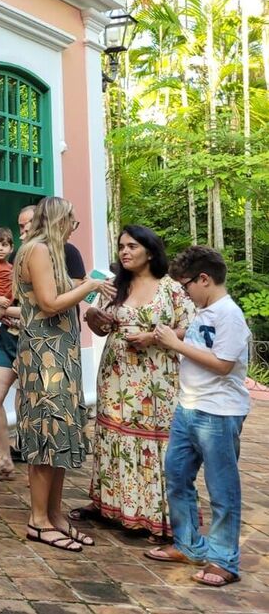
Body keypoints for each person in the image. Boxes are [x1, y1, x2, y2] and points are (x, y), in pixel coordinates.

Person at [73, 225, 195, 540]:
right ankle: (111, 506)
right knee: (113, 436)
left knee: (155, 442)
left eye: (132, 246)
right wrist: (94, 320)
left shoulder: (171, 289)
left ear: (150, 252)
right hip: (116, 374)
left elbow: (190, 328)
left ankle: (154, 515)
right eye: (121, 246)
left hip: (156, 379)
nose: (124, 252)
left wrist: (154, 336)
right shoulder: (114, 286)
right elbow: (101, 328)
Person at [146, 247, 250, 588]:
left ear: (204, 279)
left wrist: (174, 345)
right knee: (176, 477)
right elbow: (199, 347)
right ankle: (189, 545)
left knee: (222, 490)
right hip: (188, 407)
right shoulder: (203, 311)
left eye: (186, 284)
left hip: (217, 413)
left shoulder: (229, 315)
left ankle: (224, 561)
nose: (184, 291)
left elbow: (222, 364)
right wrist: (170, 336)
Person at [13, 197, 110, 554]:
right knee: (45, 434)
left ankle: (54, 514)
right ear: (57, 219)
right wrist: (91, 287)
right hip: (44, 356)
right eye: (72, 220)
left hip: (61, 354)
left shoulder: (50, 253)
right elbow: (50, 303)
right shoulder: (36, 251)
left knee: (61, 433)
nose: (75, 226)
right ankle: (38, 521)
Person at [0, 207, 86, 481]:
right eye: (20, 226)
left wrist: (5, 311)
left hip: (43, 342)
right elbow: (17, 300)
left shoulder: (68, 253)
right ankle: (4, 457)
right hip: (8, 338)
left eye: (27, 226)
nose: (23, 231)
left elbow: (54, 302)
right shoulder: (20, 254)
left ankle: (28, 454)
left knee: (31, 406)